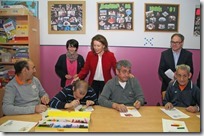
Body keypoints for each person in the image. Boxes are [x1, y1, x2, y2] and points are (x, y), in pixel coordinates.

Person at [73, 34, 116, 98]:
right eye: (94, 45)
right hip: (93, 82)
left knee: (106, 100)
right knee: (92, 100)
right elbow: (85, 69)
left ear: (104, 46)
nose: (96, 48)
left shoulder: (110, 55)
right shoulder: (90, 54)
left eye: (98, 46)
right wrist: (78, 77)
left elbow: (116, 68)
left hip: (106, 82)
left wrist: (125, 74)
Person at [158, 33, 194, 99]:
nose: (174, 44)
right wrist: (170, 81)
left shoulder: (188, 55)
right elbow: (160, 70)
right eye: (172, 42)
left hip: (183, 86)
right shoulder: (165, 54)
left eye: (177, 42)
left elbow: (190, 71)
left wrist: (180, 81)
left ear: (182, 43)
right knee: (167, 106)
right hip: (167, 85)